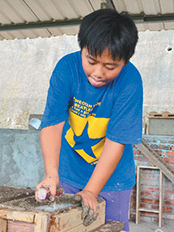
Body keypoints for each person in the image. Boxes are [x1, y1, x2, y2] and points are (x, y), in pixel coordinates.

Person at [36, 8, 143, 231]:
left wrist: (92, 190)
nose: (98, 73)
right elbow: (53, 123)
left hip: (113, 180)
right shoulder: (66, 68)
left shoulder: (130, 81)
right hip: (68, 173)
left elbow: (117, 141)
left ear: (124, 62)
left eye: (110, 66)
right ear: (82, 48)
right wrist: (51, 175)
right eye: (91, 60)